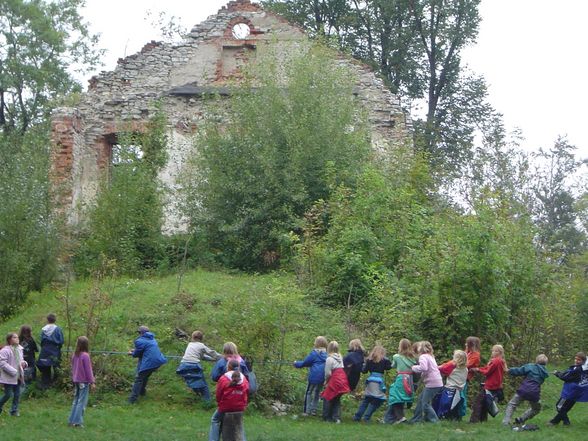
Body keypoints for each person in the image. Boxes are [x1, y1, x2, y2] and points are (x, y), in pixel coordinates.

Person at [502, 354, 548, 426]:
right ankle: (521, 419)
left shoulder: (530, 366)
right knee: (536, 409)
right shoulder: (544, 372)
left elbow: (519, 371)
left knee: (512, 404)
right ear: (545, 363)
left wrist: (509, 370)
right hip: (535, 393)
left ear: (536, 360)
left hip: (524, 390)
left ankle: (506, 422)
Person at [209, 359, 249, 441]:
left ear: (228, 367)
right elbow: (246, 393)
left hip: (225, 407)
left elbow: (218, 395)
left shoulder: (223, 378)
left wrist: (220, 404)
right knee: (239, 423)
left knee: (215, 420)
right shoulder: (244, 379)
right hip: (240, 407)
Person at [176, 330, 222, 402]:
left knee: (191, 381)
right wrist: (222, 357)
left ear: (192, 337)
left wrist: (213, 360)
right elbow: (211, 353)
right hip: (194, 365)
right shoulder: (201, 345)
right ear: (201, 338)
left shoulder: (190, 344)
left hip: (183, 365)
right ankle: (207, 401)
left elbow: (202, 357)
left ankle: (199, 395)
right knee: (203, 384)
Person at [128, 325, 167, 404]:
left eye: (139, 332)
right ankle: (142, 392)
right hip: (158, 361)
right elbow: (145, 349)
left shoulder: (139, 341)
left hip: (150, 362)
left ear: (141, 333)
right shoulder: (152, 339)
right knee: (145, 376)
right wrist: (135, 350)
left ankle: (132, 400)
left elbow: (137, 354)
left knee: (138, 379)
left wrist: (131, 353)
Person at [353, 344, 391, 422]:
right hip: (379, 381)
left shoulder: (369, 360)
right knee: (378, 399)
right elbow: (389, 367)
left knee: (367, 399)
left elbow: (364, 371)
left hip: (370, 381)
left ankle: (357, 416)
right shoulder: (384, 360)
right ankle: (367, 417)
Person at [548, 352, 588, 426]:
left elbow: (565, 377)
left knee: (559, 406)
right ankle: (554, 422)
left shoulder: (577, 370)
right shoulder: (584, 369)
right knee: (566, 408)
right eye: (575, 359)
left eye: (579, 360)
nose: (576, 361)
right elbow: (568, 374)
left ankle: (566, 422)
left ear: (583, 361)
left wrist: (557, 373)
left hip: (570, 392)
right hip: (577, 393)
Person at [469, 344, 506, 423]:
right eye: (492, 350)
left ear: (499, 352)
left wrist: (478, 370)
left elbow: (487, 372)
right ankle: (483, 420)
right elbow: (487, 368)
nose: (492, 352)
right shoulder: (500, 361)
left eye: (495, 351)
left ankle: (473, 421)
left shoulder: (496, 361)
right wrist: (478, 368)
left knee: (477, 402)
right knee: (484, 402)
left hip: (491, 385)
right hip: (496, 385)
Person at [293, 336, 328, 416]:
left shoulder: (314, 353)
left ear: (317, 344)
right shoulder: (326, 354)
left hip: (313, 377)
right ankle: (314, 410)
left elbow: (305, 362)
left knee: (309, 392)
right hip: (322, 377)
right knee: (317, 392)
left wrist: (296, 363)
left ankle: (307, 411)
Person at [384, 338, 417, 424]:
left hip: (401, 378)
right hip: (409, 379)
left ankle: (400, 417)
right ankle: (392, 418)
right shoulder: (413, 358)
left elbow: (393, 366)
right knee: (401, 397)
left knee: (395, 397)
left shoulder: (396, 357)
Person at [409, 341, 443, 423]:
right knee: (421, 400)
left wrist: (413, 367)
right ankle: (416, 419)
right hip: (436, 382)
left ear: (422, 348)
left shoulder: (423, 356)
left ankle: (435, 421)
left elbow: (423, 368)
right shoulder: (430, 356)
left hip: (432, 383)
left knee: (425, 403)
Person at [68, 336, 96, 428]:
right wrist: (92, 382)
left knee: (75, 401)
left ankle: (71, 420)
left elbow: (73, 367)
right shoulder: (85, 355)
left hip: (76, 380)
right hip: (83, 381)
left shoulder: (75, 354)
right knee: (81, 402)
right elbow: (88, 370)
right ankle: (77, 422)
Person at [321, 341, 350, 423]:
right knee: (336, 398)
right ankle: (336, 417)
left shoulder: (329, 359)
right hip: (342, 379)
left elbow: (328, 373)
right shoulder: (340, 357)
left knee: (327, 397)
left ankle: (326, 417)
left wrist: (326, 382)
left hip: (335, 379)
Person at [435, 350, 468, 420]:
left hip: (450, 388)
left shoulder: (453, 368)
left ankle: (443, 416)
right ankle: (455, 417)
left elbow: (442, 368)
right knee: (456, 405)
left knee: (444, 404)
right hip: (459, 390)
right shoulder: (466, 369)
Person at [0, 332, 27, 416]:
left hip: (19, 375)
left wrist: (24, 363)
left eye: (17, 337)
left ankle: (14, 411)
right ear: (9, 339)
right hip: (9, 376)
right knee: (8, 394)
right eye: (14, 337)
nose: (17, 339)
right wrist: (13, 371)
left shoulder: (19, 349)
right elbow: (2, 363)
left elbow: (20, 360)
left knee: (17, 394)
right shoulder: (5, 350)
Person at [37, 313, 64, 388]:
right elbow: (61, 340)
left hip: (45, 349)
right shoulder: (58, 329)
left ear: (47, 319)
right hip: (55, 349)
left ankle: (45, 384)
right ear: (55, 319)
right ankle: (56, 383)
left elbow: (41, 340)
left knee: (45, 366)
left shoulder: (43, 329)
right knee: (56, 366)